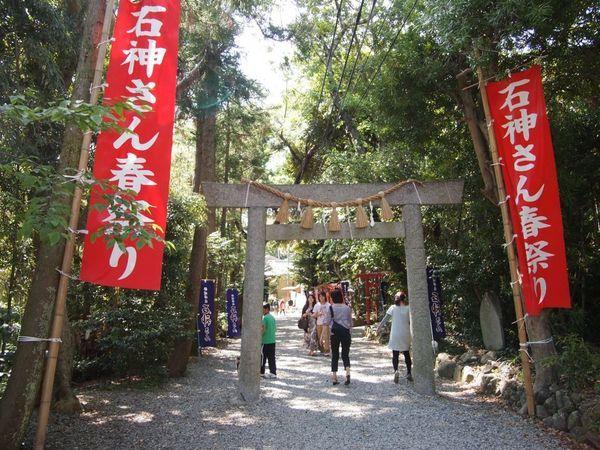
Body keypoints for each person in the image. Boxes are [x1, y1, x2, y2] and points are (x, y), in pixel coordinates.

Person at [376, 291, 412, 383]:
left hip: (395, 334)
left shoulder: (392, 308)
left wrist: (378, 328)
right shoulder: (408, 309)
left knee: (395, 354)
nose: (395, 298)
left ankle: (396, 371)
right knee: (406, 353)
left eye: (396, 297)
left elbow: (385, 319)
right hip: (406, 334)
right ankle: (409, 373)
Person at [329, 289, 353, 385]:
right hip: (345, 332)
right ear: (341, 296)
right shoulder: (347, 308)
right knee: (345, 353)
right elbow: (350, 322)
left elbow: (327, 322)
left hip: (334, 333)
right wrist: (350, 331)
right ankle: (347, 372)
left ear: (333, 298)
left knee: (335, 354)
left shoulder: (331, 308)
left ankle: (334, 377)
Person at [261, 303, 277, 379]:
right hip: (272, 340)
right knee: (272, 357)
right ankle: (273, 372)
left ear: (266, 309)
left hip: (265, 341)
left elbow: (263, 329)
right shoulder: (272, 317)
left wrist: (259, 335)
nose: (262, 311)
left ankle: (261, 372)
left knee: (262, 357)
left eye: (263, 309)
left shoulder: (265, 318)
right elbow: (275, 329)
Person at [312, 291, 331, 355]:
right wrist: (318, 314)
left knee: (326, 337)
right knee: (320, 337)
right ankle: (322, 349)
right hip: (319, 323)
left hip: (326, 324)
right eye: (320, 297)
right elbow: (313, 315)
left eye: (322, 296)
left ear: (325, 297)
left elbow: (331, 315)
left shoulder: (328, 305)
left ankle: (327, 350)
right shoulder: (317, 305)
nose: (321, 298)